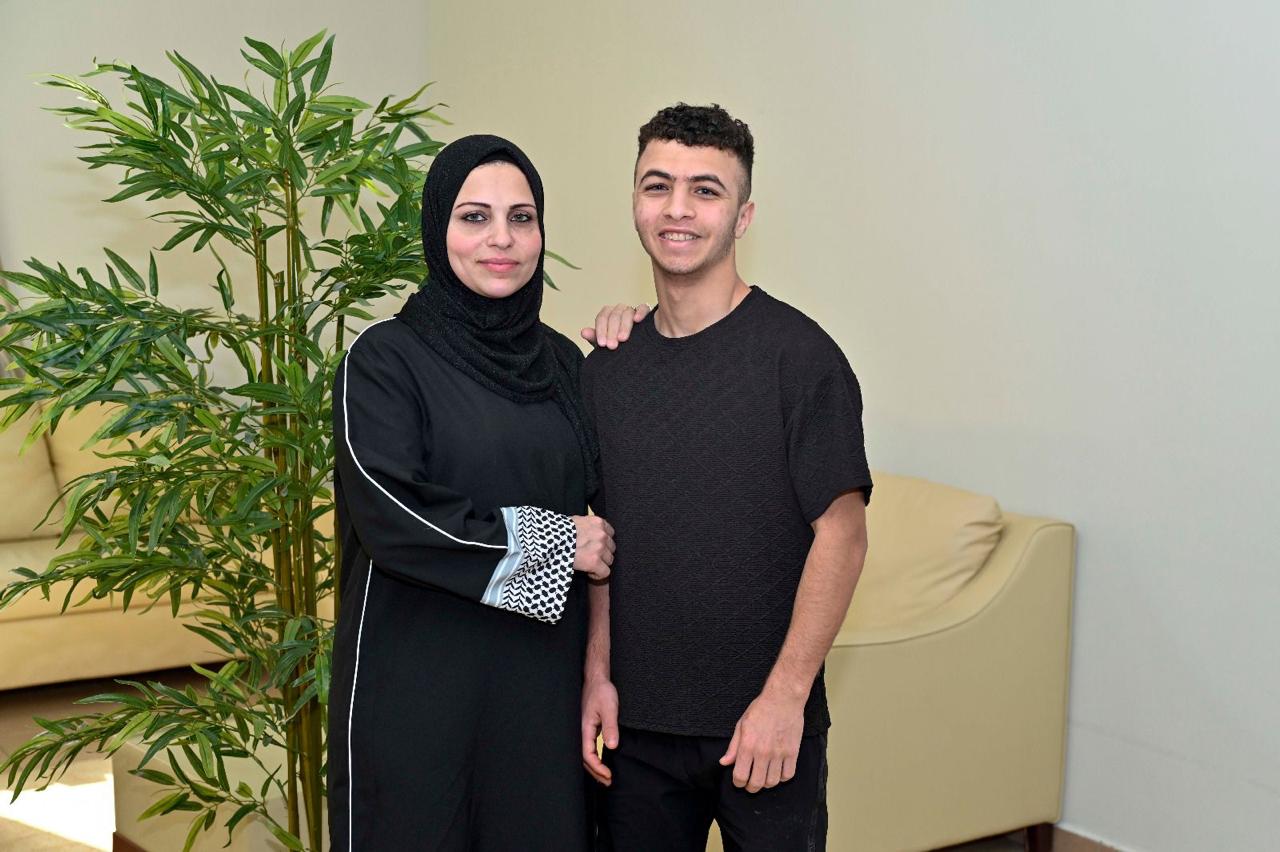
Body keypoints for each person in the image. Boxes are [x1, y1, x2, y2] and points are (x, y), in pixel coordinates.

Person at [579, 104, 873, 852]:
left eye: (705, 190)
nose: (677, 209)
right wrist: (596, 676)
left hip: (763, 731)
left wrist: (785, 698)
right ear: (635, 202)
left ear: (743, 216)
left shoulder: (801, 359)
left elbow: (842, 538)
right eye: (657, 186)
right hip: (635, 734)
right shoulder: (607, 369)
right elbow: (602, 542)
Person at [327, 134, 614, 852]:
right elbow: (393, 515)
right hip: (418, 693)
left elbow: (615, 501)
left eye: (522, 218)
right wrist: (559, 545)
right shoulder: (385, 359)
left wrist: (642, 346)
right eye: (474, 217)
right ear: (437, 228)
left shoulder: (563, 363)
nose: (501, 239)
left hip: (538, 694)